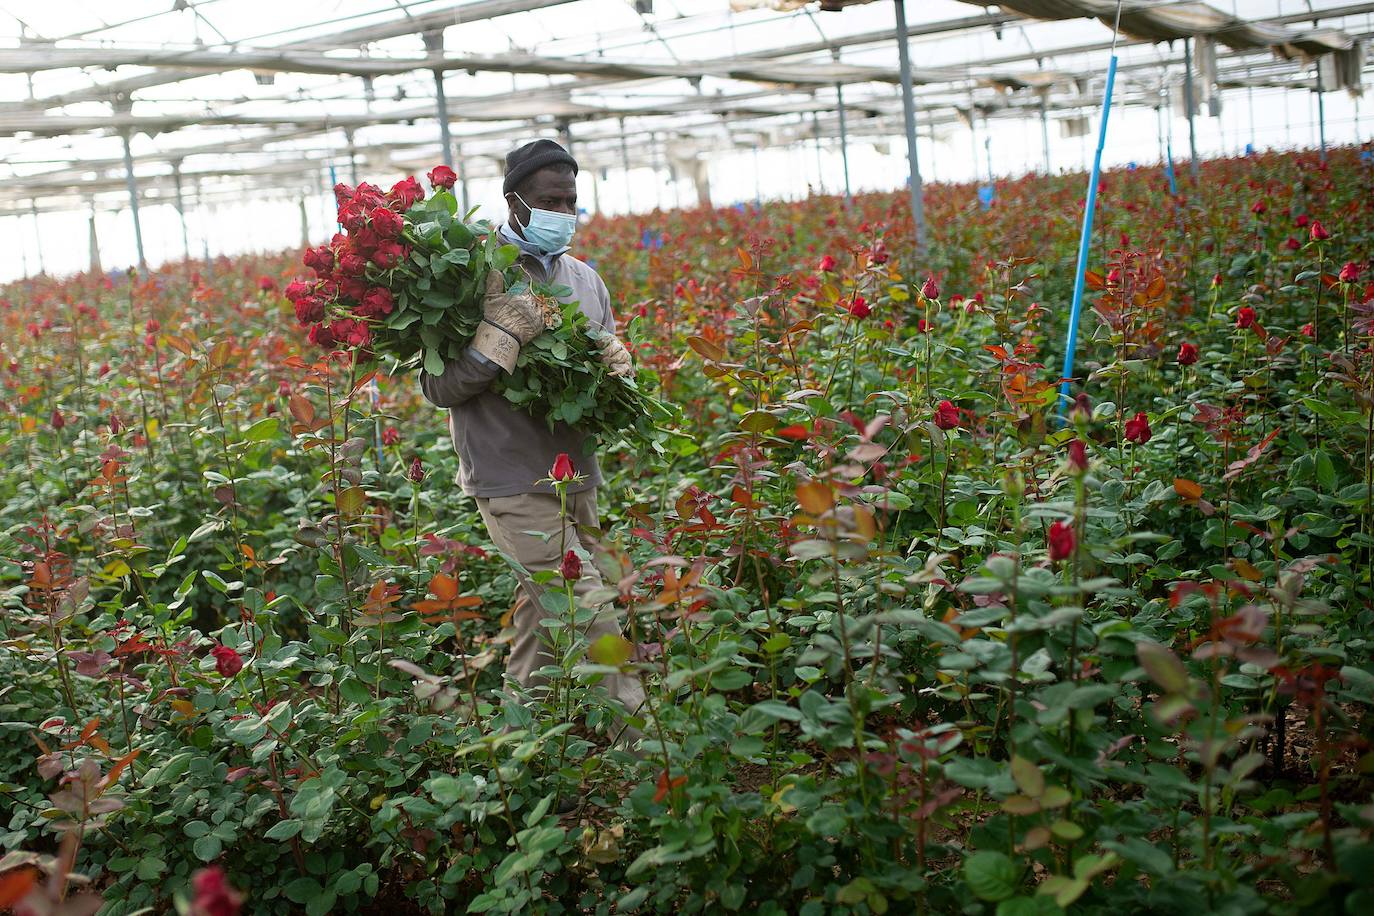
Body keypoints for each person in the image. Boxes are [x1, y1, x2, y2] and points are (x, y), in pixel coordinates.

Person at [418, 139, 644, 747]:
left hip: (577, 473)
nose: (563, 213)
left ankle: (518, 743)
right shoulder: (470, 276)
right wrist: (495, 340)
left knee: (541, 620)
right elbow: (439, 387)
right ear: (514, 201)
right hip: (510, 476)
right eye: (550, 201)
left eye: (571, 201)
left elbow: (599, 383)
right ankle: (644, 746)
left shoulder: (585, 280)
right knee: (585, 605)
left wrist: (617, 368)